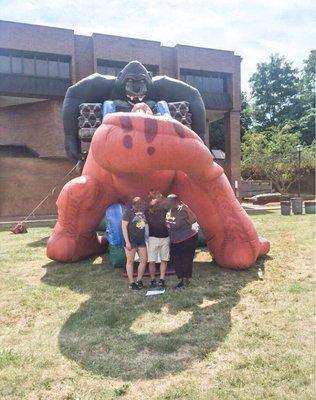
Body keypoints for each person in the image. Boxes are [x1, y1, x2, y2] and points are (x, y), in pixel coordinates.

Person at [165, 194, 198, 289]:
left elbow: (194, 220)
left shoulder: (182, 210)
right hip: (175, 240)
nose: (167, 203)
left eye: (169, 201)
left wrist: (187, 209)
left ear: (175, 202)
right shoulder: (169, 211)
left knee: (186, 259)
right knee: (175, 260)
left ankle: (185, 281)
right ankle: (182, 278)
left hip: (187, 239)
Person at [122, 197, 147, 290]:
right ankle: (131, 283)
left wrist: (143, 217)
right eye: (138, 203)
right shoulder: (128, 212)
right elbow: (124, 227)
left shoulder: (142, 213)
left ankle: (139, 280)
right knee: (130, 261)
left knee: (144, 260)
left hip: (141, 240)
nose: (140, 205)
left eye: (141, 203)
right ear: (133, 204)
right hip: (131, 240)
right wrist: (127, 242)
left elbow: (143, 224)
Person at [145, 192, 170, 289]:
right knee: (151, 261)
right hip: (153, 238)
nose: (157, 200)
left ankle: (162, 279)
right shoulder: (148, 210)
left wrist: (162, 200)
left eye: (159, 198)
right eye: (155, 198)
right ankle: (152, 279)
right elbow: (143, 209)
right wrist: (151, 203)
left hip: (165, 237)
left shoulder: (165, 209)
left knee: (164, 259)